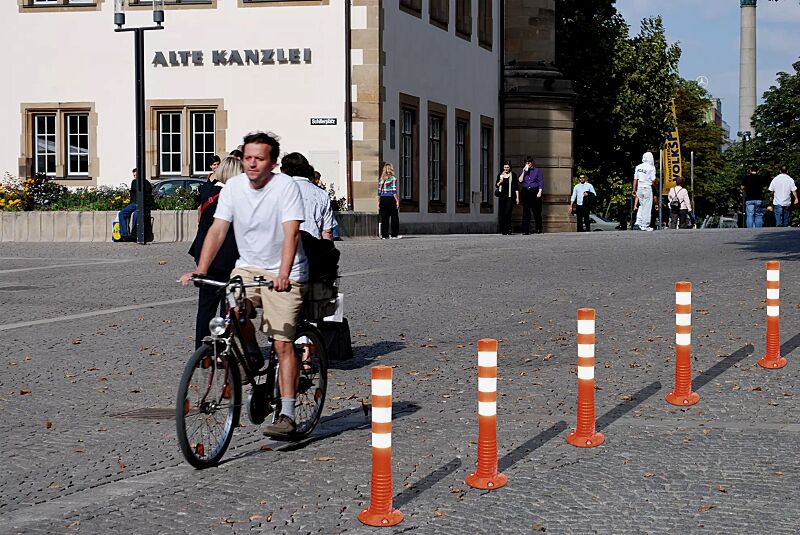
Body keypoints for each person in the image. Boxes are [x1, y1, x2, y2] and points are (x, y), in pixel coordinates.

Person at [180, 131, 308, 439]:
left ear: (272, 163)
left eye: (259, 159)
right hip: (248, 267)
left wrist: (283, 274)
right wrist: (201, 269)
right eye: (248, 157)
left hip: (284, 270)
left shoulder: (285, 187)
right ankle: (250, 353)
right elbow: (218, 230)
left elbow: (291, 233)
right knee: (233, 313)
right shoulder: (234, 187)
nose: (251, 164)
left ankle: (287, 414)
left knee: (282, 343)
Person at [188, 156, 241, 349]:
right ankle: (225, 346)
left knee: (206, 306)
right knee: (229, 306)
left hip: (204, 254)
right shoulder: (232, 197)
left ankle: (201, 349)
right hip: (226, 256)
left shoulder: (208, 190)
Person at [281, 152, 334, 240]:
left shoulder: (279, 191)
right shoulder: (322, 194)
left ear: (284, 170)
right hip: (313, 244)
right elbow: (327, 232)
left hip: (284, 244)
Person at [118, 168, 155, 241]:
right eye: (134, 175)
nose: (135, 177)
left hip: (142, 204)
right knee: (122, 213)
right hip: (135, 203)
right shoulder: (135, 182)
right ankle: (124, 234)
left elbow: (148, 195)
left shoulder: (145, 183)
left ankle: (133, 234)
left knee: (136, 214)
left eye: (136, 175)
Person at [518, 156, 544, 234]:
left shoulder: (537, 170)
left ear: (531, 163)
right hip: (526, 191)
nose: (527, 164)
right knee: (526, 210)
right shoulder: (523, 170)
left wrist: (540, 191)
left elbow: (540, 181)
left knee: (536, 210)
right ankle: (525, 229)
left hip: (534, 191)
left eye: (528, 163)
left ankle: (539, 228)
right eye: (526, 163)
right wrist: (523, 172)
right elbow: (520, 180)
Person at [632, 152, 656, 231]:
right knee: (647, 207)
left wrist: (634, 190)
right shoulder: (651, 167)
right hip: (647, 188)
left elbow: (635, 179)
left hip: (639, 187)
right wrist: (655, 187)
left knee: (641, 206)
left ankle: (638, 222)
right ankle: (645, 225)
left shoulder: (638, 167)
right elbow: (653, 180)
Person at [377, 163, 400, 239]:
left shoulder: (381, 179)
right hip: (391, 198)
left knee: (384, 217)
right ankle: (394, 234)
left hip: (383, 198)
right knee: (394, 216)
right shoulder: (393, 178)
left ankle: (384, 235)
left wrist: (379, 201)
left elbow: (379, 191)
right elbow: (393, 190)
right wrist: (397, 200)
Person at [496, 160, 519, 235]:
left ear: (510, 167)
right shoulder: (500, 175)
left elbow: (516, 187)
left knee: (507, 213)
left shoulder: (513, 175)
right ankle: (504, 229)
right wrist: (500, 182)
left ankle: (508, 228)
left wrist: (517, 198)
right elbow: (496, 185)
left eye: (507, 167)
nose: (506, 168)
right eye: (505, 167)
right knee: (502, 213)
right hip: (502, 197)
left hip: (510, 197)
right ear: (503, 167)